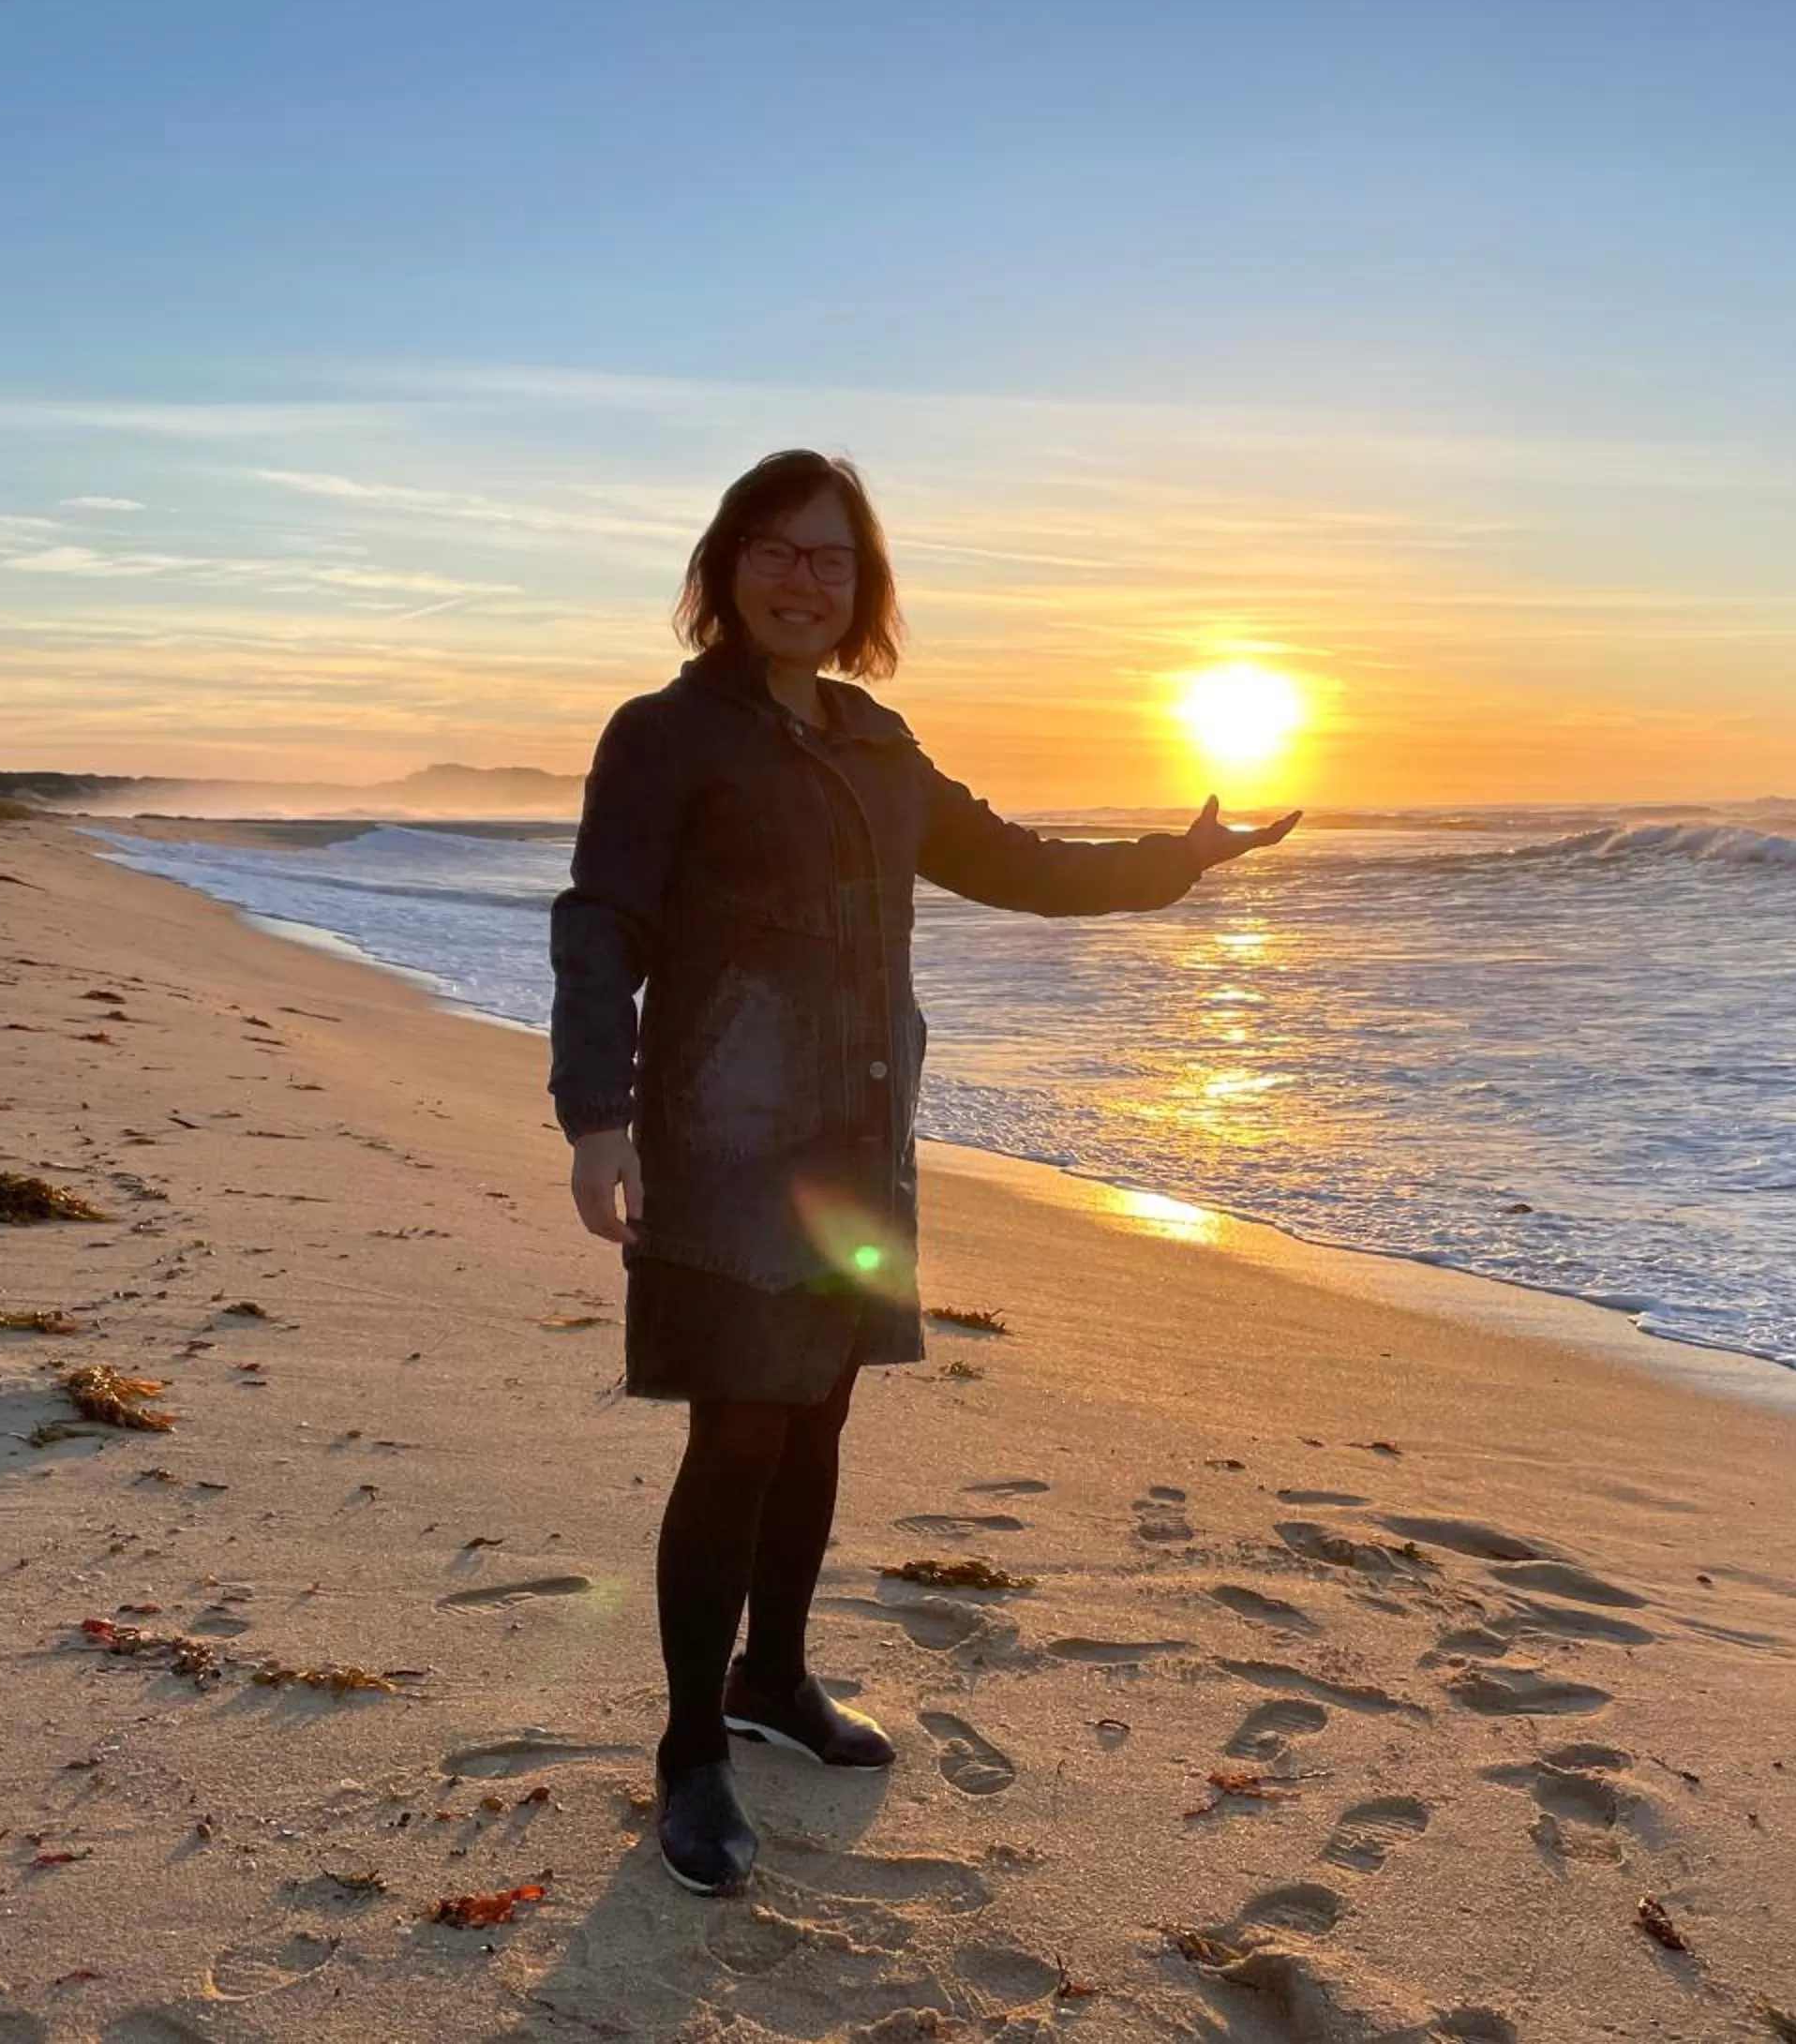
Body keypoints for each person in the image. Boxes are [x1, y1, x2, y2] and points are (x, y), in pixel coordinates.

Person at [549, 449, 1298, 1896]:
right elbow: (601, 928)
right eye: (771, 549)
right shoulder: (663, 736)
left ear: (863, 587)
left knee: (817, 1419)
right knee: (737, 1436)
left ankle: (775, 1678)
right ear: (722, 569)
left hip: (861, 1139)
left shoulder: (878, 745)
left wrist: (1177, 861)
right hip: (719, 1138)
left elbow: (1011, 862)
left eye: (829, 558)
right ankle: (690, 1746)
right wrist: (596, 1116)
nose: (799, 578)